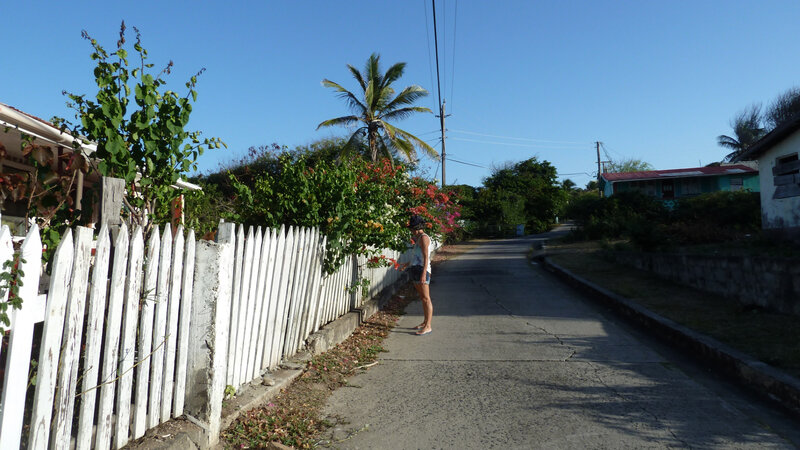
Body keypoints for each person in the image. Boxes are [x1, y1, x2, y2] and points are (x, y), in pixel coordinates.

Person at [408, 215, 433, 336]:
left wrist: (424, 273)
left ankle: (428, 326)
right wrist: (406, 264)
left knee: (426, 298)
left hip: (422, 271)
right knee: (422, 298)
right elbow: (417, 257)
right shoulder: (418, 238)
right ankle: (425, 322)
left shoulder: (423, 238)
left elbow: (426, 257)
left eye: (411, 228)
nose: (410, 231)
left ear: (416, 228)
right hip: (416, 269)